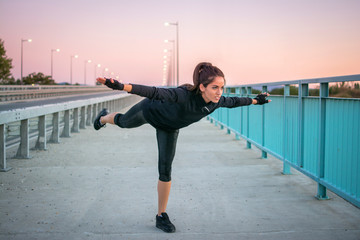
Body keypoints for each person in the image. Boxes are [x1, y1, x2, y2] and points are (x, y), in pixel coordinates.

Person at [94, 62, 270, 233]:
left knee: (165, 170)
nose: (219, 93)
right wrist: (120, 86)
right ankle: (103, 118)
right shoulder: (183, 94)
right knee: (124, 122)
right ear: (202, 87)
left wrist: (256, 100)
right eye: (215, 87)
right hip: (150, 111)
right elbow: (153, 91)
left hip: (169, 128)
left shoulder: (216, 102)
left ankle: (161, 215)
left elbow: (234, 101)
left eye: (222, 87)